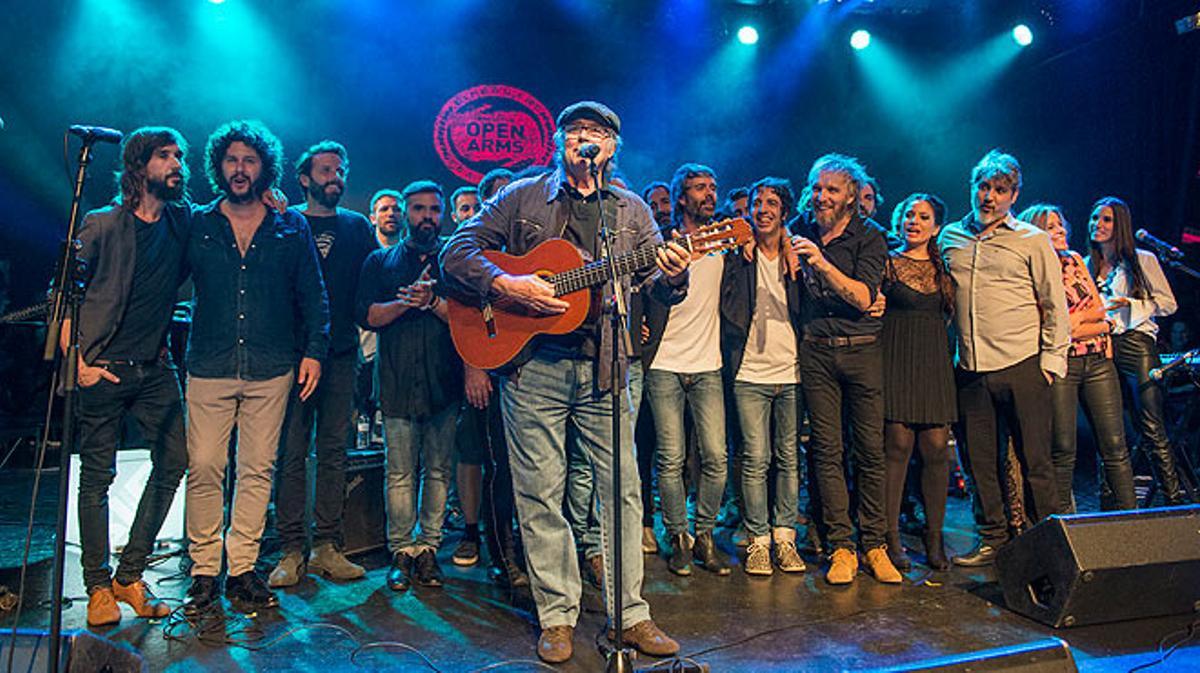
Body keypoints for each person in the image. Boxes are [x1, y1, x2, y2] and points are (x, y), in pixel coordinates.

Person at [441, 101, 686, 664]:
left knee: (622, 491)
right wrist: (507, 287)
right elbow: (457, 253)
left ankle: (630, 614)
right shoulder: (522, 197)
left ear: (612, 147)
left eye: (597, 131)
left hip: (605, 365)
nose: (585, 138)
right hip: (532, 368)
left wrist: (675, 274)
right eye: (576, 130)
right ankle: (557, 617)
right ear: (558, 141)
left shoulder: (630, 212)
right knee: (540, 493)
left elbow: (658, 287)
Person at [183, 120, 329, 615]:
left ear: (264, 167)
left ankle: (241, 568)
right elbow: (160, 279)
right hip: (209, 363)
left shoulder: (291, 225)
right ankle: (204, 570)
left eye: (249, 160)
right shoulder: (198, 223)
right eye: (231, 160)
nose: (240, 169)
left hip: (272, 364)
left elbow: (314, 295)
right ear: (218, 167)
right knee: (204, 466)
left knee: (256, 470)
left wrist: (314, 351)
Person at [71, 127, 191, 625]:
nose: (177, 164)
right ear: (139, 167)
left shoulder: (182, 223)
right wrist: (77, 362)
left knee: (176, 460)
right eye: (166, 156)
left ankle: (129, 574)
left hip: (155, 368)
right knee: (98, 478)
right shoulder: (101, 224)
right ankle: (97, 586)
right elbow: (65, 297)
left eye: (179, 156)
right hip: (102, 369)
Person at [939, 149, 1069, 567]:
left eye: (999, 190)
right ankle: (993, 537)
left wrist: (1051, 363)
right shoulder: (950, 237)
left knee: (1036, 461)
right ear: (972, 188)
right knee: (980, 463)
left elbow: (1054, 303)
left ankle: (1044, 542)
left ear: (1014, 195)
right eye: (983, 187)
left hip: (1022, 363)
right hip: (971, 370)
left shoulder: (1033, 239)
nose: (989, 197)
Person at [268, 141, 376, 588]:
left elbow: (373, 282)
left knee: (334, 450)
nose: (336, 176)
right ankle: (291, 549)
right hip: (291, 355)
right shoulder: (285, 220)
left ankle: (328, 546)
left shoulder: (357, 226)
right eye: (326, 170)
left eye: (340, 169)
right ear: (305, 178)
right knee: (291, 452)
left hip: (343, 354)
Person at [789, 153, 899, 585]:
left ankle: (875, 545)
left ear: (851, 197)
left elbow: (862, 296)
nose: (821, 197)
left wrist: (820, 262)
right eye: (817, 188)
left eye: (831, 190)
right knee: (826, 452)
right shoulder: (798, 230)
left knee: (870, 451)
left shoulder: (869, 237)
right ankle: (841, 547)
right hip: (816, 352)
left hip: (862, 351)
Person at [358, 180, 461, 591]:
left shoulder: (456, 261)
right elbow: (367, 316)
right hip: (398, 383)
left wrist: (432, 303)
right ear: (405, 212)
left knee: (438, 472)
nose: (426, 218)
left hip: (445, 382)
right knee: (399, 473)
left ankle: (429, 550)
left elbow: (469, 321)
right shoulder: (380, 262)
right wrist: (406, 302)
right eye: (418, 209)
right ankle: (402, 550)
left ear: (443, 215)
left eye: (434, 210)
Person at [643, 163, 734, 578]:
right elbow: (641, 287)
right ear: (681, 197)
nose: (709, 194)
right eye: (699, 188)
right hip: (664, 362)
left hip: (708, 363)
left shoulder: (725, 239)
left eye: (712, 187)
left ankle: (705, 535)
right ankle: (678, 536)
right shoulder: (660, 242)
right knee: (671, 458)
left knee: (715, 456)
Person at [1018, 204, 1138, 513]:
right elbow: (1053, 326)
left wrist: (1081, 321)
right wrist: (1085, 323)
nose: (1060, 230)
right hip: (1063, 364)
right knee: (1064, 449)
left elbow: (1101, 311)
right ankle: (1063, 529)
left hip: (1098, 360)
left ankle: (1130, 522)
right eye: (1051, 226)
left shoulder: (1074, 259)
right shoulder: (1033, 268)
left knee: (1115, 446)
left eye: (1060, 224)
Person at [720, 177, 806, 576]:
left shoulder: (798, 253)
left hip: (791, 371)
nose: (764, 209)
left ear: (785, 212)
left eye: (772, 203)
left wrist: (788, 241)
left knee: (788, 458)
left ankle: (785, 537)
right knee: (755, 458)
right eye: (758, 202)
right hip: (749, 372)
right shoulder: (738, 254)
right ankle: (758, 540)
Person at [1086, 197, 1189, 505]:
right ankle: (1109, 502)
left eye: (1106, 220)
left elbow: (1169, 304)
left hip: (1136, 344)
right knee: (1108, 428)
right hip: (1101, 348)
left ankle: (1172, 499)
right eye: (1094, 218)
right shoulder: (1085, 263)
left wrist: (1131, 305)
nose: (1098, 225)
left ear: (1121, 226)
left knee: (1151, 423)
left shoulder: (1142, 260)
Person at [880, 193, 957, 572]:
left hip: (933, 362)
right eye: (908, 214)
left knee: (937, 447)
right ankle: (890, 538)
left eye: (923, 216)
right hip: (895, 357)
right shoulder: (887, 263)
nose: (914, 221)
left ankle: (934, 536)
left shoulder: (946, 268)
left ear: (936, 226)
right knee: (897, 445)